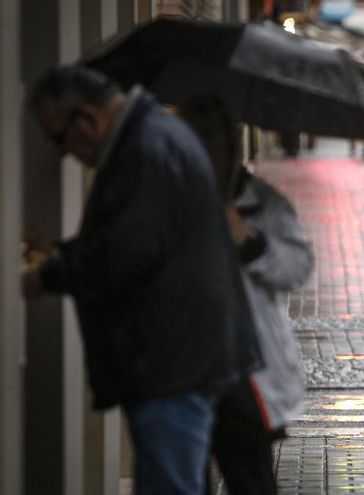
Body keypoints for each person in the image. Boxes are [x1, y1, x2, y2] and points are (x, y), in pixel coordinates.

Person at [22, 65, 260, 494]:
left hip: (171, 360)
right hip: (180, 354)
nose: (64, 155)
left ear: (88, 121)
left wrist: (48, 274)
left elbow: (128, 250)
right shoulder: (157, 136)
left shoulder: (145, 149)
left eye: (60, 141)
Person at [178, 96, 314, 495]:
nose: (201, 148)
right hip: (183, 370)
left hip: (247, 374)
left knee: (251, 481)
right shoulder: (169, 198)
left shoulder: (263, 203)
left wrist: (250, 243)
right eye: (192, 136)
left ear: (231, 145)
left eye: (209, 137)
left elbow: (296, 268)